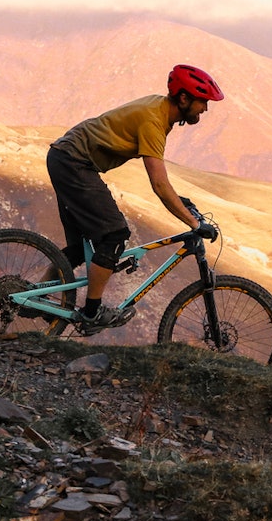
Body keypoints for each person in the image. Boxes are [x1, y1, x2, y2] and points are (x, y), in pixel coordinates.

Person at [46, 64, 223, 335]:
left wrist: (181, 201)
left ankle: (34, 299)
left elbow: (162, 182)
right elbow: (159, 184)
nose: (205, 109)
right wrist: (193, 224)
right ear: (184, 99)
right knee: (114, 234)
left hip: (67, 159)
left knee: (84, 247)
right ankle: (92, 313)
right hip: (73, 163)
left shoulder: (162, 111)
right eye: (203, 102)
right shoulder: (154, 120)